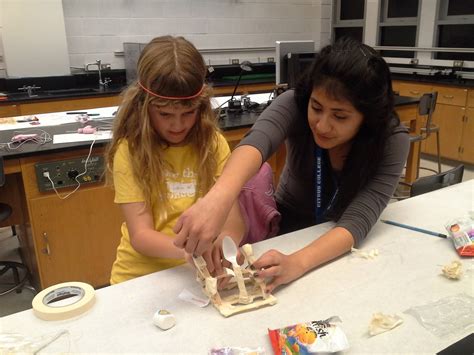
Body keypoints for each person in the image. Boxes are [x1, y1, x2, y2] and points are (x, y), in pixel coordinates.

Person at [173, 38, 410, 292]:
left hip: (342, 237)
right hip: (288, 225)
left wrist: (297, 262)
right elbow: (256, 143)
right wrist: (217, 200)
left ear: (368, 118)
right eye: (316, 108)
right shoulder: (293, 103)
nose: (321, 125)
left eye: (339, 116)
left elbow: (358, 219)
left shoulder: (391, 140)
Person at [106, 35, 245, 284]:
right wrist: (192, 251)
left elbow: (233, 219)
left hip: (199, 274)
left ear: (200, 107)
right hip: (140, 277)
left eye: (188, 113)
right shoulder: (131, 150)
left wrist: (225, 248)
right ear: (145, 107)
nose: (178, 125)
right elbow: (141, 235)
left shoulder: (213, 143)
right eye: (165, 114)